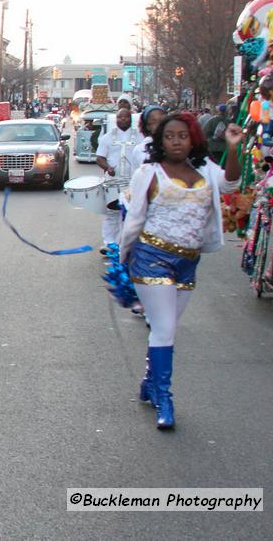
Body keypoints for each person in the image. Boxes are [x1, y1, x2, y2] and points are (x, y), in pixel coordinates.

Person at [120, 114, 242, 430]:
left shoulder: (205, 170)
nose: (176, 141)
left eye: (183, 136)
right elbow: (133, 219)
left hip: (188, 260)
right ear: (160, 141)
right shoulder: (149, 172)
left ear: (193, 140)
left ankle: (149, 382)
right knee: (163, 328)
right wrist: (124, 257)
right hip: (151, 258)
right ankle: (164, 398)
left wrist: (233, 148)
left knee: (168, 325)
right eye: (170, 136)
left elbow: (231, 183)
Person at [95, 107, 141, 252]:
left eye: (126, 117)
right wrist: (107, 167)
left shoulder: (139, 137)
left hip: (133, 182)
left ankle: (124, 244)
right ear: (116, 120)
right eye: (120, 118)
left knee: (128, 214)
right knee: (112, 212)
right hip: (113, 182)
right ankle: (109, 243)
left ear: (130, 119)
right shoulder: (107, 137)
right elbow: (100, 157)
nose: (122, 120)